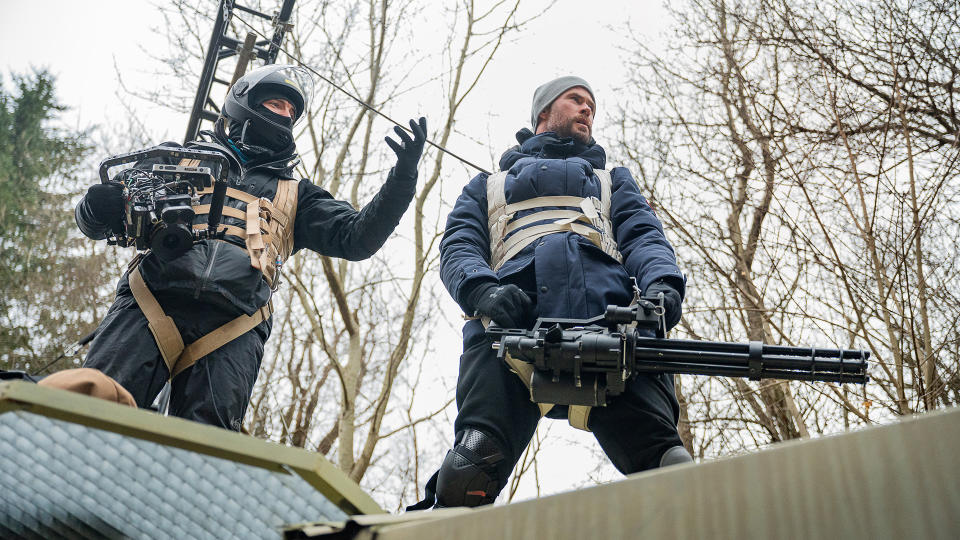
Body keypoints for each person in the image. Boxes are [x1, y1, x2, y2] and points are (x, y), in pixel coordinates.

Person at [76, 64, 427, 430]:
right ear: (245, 105)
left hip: (236, 323)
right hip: (151, 299)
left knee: (206, 447)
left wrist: (402, 178)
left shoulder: (297, 195)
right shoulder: (179, 159)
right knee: (94, 406)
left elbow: (358, 238)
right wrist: (96, 207)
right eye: (277, 103)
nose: (286, 114)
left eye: (292, 111)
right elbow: (100, 217)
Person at [414, 76, 692, 509]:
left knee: (668, 465)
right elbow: (458, 246)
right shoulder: (486, 185)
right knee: (470, 466)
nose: (586, 110)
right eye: (576, 100)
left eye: (591, 107)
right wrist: (484, 291)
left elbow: (645, 237)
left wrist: (662, 289)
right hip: (509, 327)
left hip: (614, 328)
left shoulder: (612, 180)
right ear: (544, 112)